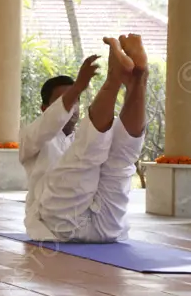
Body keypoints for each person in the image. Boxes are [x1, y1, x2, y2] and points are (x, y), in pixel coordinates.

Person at [18, 34, 148, 244]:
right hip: (58, 219)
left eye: (76, 100)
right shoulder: (31, 139)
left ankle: (139, 79)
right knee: (87, 153)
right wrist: (78, 86)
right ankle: (115, 79)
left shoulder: (89, 133)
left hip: (106, 226)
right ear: (45, 109)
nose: (73, 108)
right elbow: (48, 126)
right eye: (64, 102)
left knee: (121, 159)